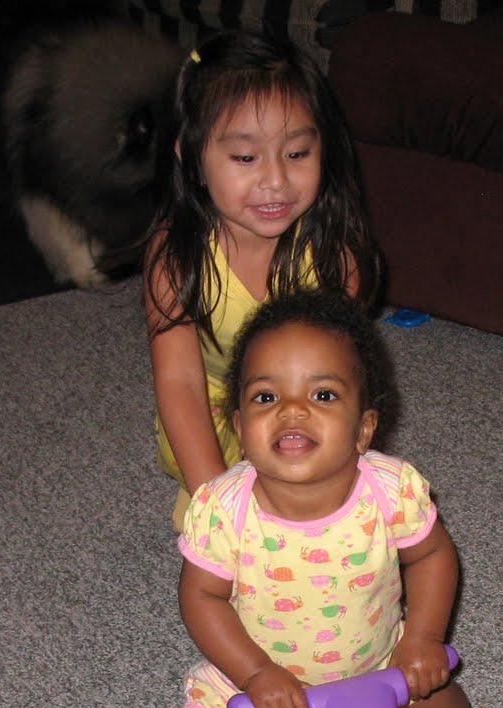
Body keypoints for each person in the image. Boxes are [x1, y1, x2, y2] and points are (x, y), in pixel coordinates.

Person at [153, 290, 469, 708]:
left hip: (379, 665)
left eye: (323, 395)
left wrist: (423, 639)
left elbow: (431, 555)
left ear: (364, 428)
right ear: (239, 426)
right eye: (265, 397)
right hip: (255, 685)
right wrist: (255, 673)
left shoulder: (391, 490)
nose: (292, 411)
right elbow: (202, 598)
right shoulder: (223, 510)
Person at [144, 31, 379, 528]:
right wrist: (218, 504)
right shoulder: (175, 256)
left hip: (304, 403)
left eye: (297, 153)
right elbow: (180, 383)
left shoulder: (334, 256)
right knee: (210, 512)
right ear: (193, 158)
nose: (275, 181)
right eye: (245, 158)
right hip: (216, 413)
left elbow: (344, 377)